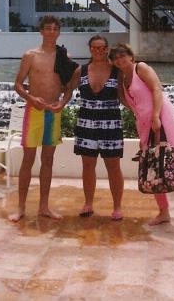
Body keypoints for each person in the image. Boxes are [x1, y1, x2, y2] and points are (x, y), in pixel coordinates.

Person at [109, 43, 174, 228]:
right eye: (115, 58)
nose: (119, 60)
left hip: (162, 118)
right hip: (145, 124)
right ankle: (163, 212)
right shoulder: (122, 78)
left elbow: (157, 89)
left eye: (122, 56)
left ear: (131, 56)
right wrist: (143, 130)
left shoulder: (140, 68)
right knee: (152, 164)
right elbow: (135, 106)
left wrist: (156, 116)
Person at [9, 15, 77, 222]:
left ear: (59, 32)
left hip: (53, 112)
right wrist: (31, 98)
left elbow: (69, 87)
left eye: (55, 28)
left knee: (48, 160)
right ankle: (20, 207)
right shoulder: (30, 56)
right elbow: (18, 84)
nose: (51, 32)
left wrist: (63, 103)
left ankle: (44, 206)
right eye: (48, 28)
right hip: (34, 111)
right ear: (41, 31)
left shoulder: (63, 57)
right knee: (28, 160)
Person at [68, 35, 124, 221]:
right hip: (86, 123)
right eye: (94, 48)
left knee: (113, 166)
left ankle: (117, 207)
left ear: (107, 49)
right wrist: (57, 104)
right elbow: (67, 90)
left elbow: (124, 96)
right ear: (90, 49)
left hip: (111, 123)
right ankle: (88, 203)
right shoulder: (81, 70)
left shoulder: (117, 71)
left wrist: (141, 112)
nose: (98, 51)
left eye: (101, 48)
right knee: (88, 165)